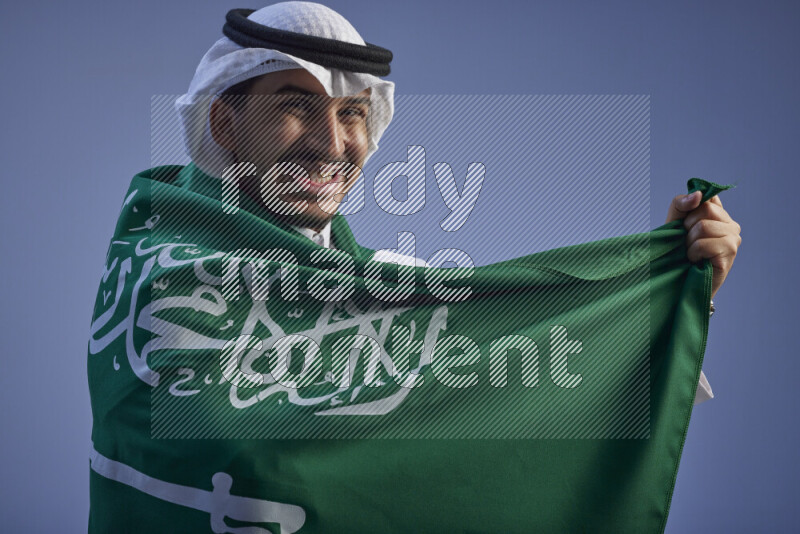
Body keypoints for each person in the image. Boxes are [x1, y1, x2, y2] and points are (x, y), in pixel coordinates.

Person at [87, 2, 742, 532]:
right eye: (294, 105)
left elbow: (532, 403)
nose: (333, 144)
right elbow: (240, 449)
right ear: (226, 124)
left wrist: (678, 295)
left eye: (353, 114)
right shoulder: (162, 272)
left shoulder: (403, 288)